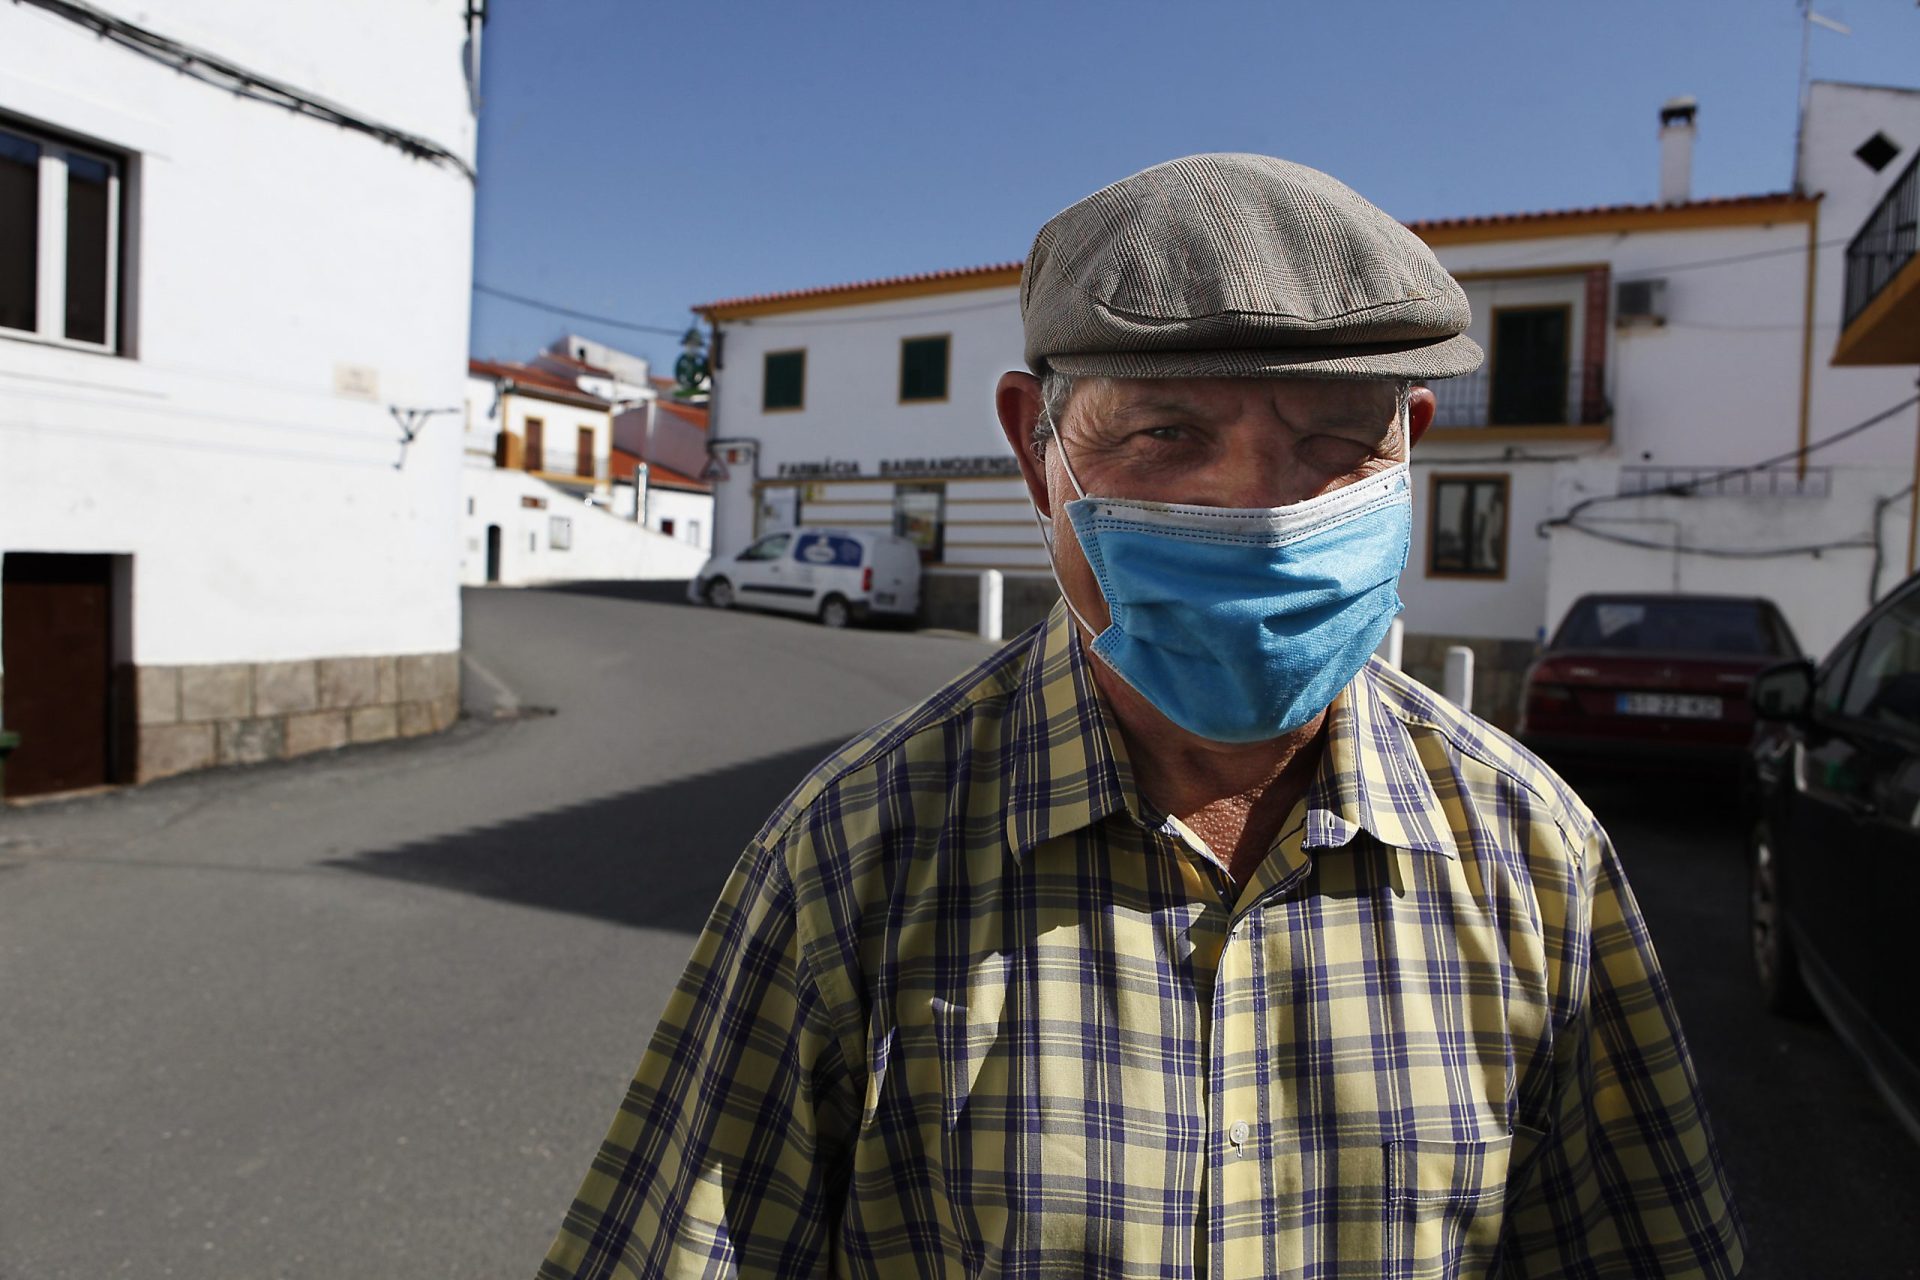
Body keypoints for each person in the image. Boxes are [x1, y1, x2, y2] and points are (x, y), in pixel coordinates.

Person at [538, 154, 1744, 1279]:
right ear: (1036, 446)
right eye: (1169, 433)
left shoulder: (1536, 856)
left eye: (1332, 441)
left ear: (1409, 447)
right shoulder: (851, 857)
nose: (1260, 512)